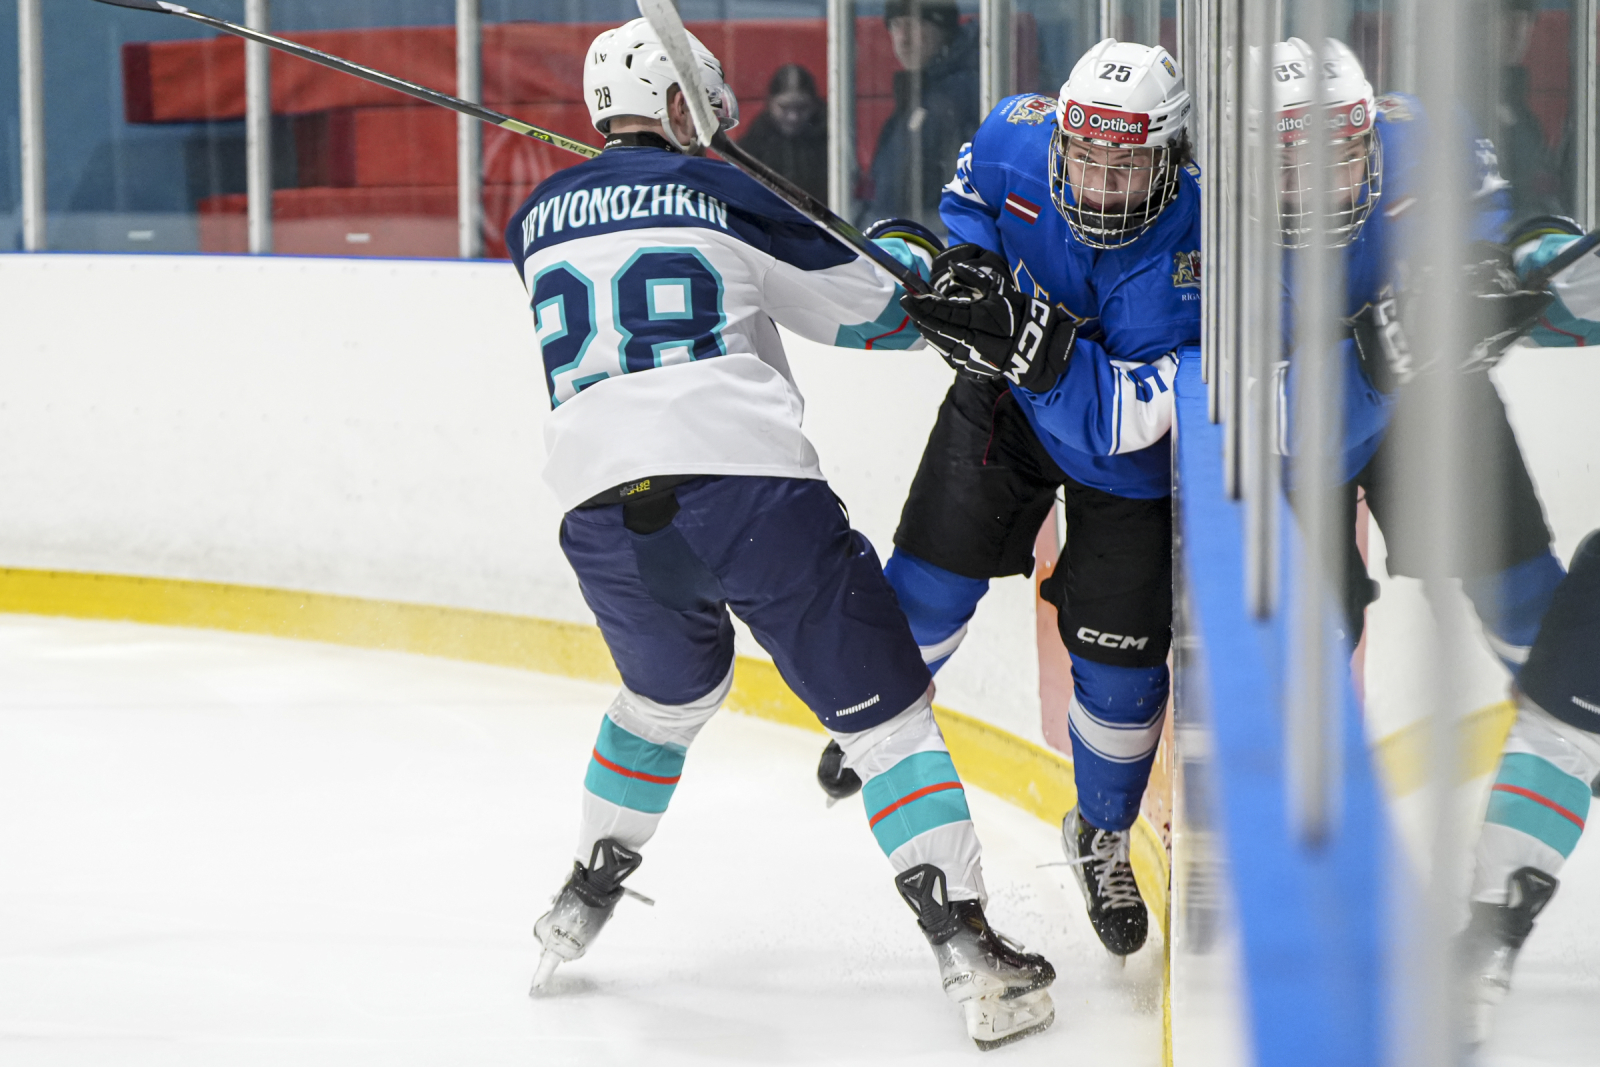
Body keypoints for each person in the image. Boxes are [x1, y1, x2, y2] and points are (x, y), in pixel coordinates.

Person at [507, 18, 1055, 1051]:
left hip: (600, 510)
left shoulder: (534, 218)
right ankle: (970, 948)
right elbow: (881, 313)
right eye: (705, 104)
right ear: (681, 105)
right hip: (748, 489)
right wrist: (903, 250)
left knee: (663, 701)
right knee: (885, 719)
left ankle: (582, 894)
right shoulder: (726, 191)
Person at [820, 38, 1199, 961]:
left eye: (1124, 169)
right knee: (929, 579)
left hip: (1121, 453)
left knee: (1121, 676)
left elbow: (1129, 414)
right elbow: (969, 206)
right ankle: (881, 714)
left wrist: (1033, 344)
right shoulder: (1015, 138)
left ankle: (1100, 832)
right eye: (1085, 159)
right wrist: (971, 271)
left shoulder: (1202, 250)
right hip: (1005, 404)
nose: (1098, 185)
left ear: (1169, 161)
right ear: (1060, 140)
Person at [1264, 37, 1600, 1048]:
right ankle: (1311, 878)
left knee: (1531, 614)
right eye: (1297, 153)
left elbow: (1503, 253)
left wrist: (1518, 268)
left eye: (1344, 149)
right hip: (1303, 421)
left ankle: (1560, 756)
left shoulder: (1426, 139)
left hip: (1430, 406)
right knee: (1307, 653)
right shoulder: (1214, 200)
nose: (1325, 171)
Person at [860, 0, 981, 236]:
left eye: (913, 25)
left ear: (943, 28)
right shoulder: (919, 96)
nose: (902, 39)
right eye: (896, 25)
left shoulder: (962, 97)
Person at [736, 64, 829, 202]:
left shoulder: (829, 138)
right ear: (770, 104)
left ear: (815, 105)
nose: (793, 117)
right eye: (784, 107)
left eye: (802, 107)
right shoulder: (756, 141)